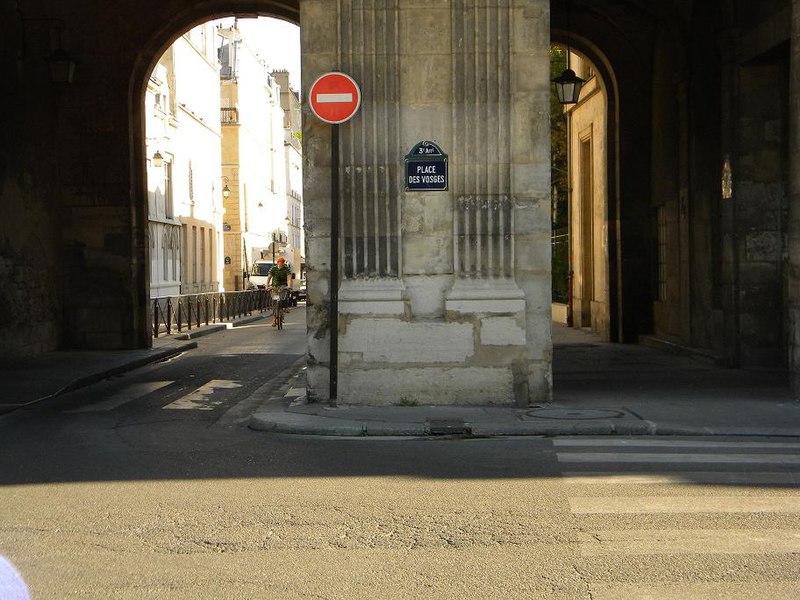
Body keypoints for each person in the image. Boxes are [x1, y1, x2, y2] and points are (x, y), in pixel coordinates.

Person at [266, 257, 293, 326]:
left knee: (285, 294)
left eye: (282, 263)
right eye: (280, 263)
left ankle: (285, 307)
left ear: (284, 263)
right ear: (277, 263)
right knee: (275, 302)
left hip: (283, 285)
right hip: (275, 286)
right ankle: (274, 319)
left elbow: (289, 278)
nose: (281, 264)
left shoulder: (286, 269)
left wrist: (289, 286)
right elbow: (269, 277)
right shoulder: (273, 268)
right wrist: (267, 286)